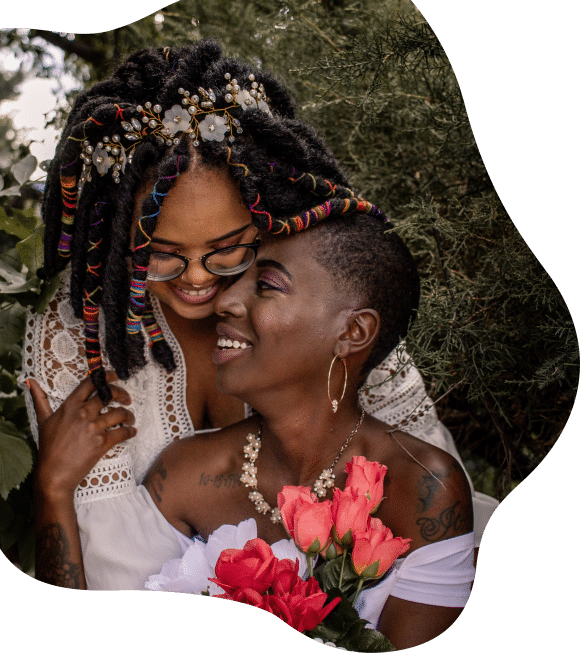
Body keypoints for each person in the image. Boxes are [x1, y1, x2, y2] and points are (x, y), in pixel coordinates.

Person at [23, 40, 475, 590]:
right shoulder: (83, 332)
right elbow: (102, 582)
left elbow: (425, 517)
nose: (197, 279)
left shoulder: (327, 303)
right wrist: (52, 485)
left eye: (227, 247)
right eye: (159, 252)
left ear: (266, 214)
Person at [140, 213, 474, 650]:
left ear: (353, 331)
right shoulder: (183, 475)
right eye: (236, 279)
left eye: (266, 285)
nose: (225, 301)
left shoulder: (423, 488)